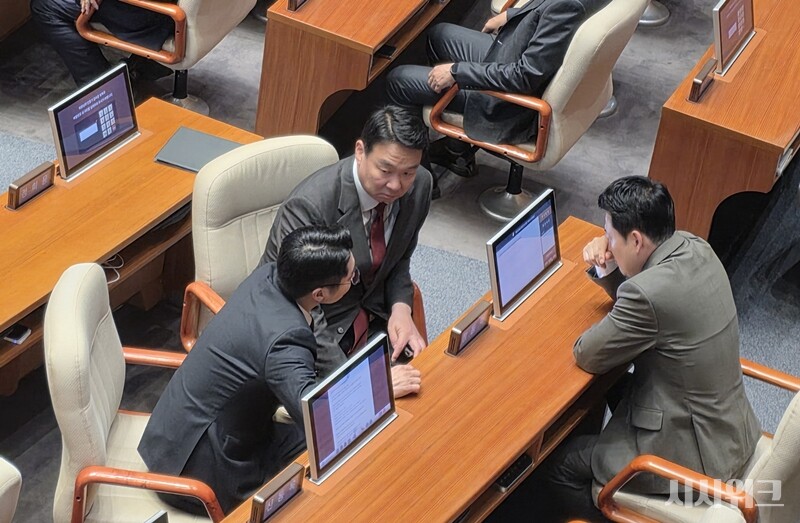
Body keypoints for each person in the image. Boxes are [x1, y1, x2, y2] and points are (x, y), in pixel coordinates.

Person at [540, 176, 761, 521]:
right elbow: (651, 306)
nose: (607, 245)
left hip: (694, 458)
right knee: (616, 388)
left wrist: (611, 268)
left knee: (563, 464)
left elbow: (589, 353)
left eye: (611, 237)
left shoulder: (647, 294)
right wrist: (610, 265)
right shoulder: (694, 247)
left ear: (637, 240)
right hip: (731, 431)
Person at [138, 225, 362, 514]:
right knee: (328, 472)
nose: (354, 280)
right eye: (351, 278)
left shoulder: (270, 274)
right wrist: (375, 384)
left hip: (179, 434)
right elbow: (318, 418)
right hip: (200, 468)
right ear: (319, 293)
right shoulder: (285, 341)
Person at [260, 105, 432, 390]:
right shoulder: (309, 207)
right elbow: (298, 310)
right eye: (385, 170)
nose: (396, 185)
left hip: (373, 319)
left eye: (407, 173)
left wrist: (401, 308)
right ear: (360, 151)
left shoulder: (420, 185)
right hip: (316, 336)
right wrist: (364, 385)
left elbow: (399, 258)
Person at [385, 0, 608, 177]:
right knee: (438, 35)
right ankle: (456, 151)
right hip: (518, 53)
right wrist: (511, 15)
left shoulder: (567, 6)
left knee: (399, 80)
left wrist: (456, 72)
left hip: (508, 100)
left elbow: (524, 77)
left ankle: (417, 181)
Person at [30, 0, 174, 86]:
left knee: (45, 7)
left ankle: (104, 91)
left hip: (154, 13)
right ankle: (145, 68)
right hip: (172, 7)